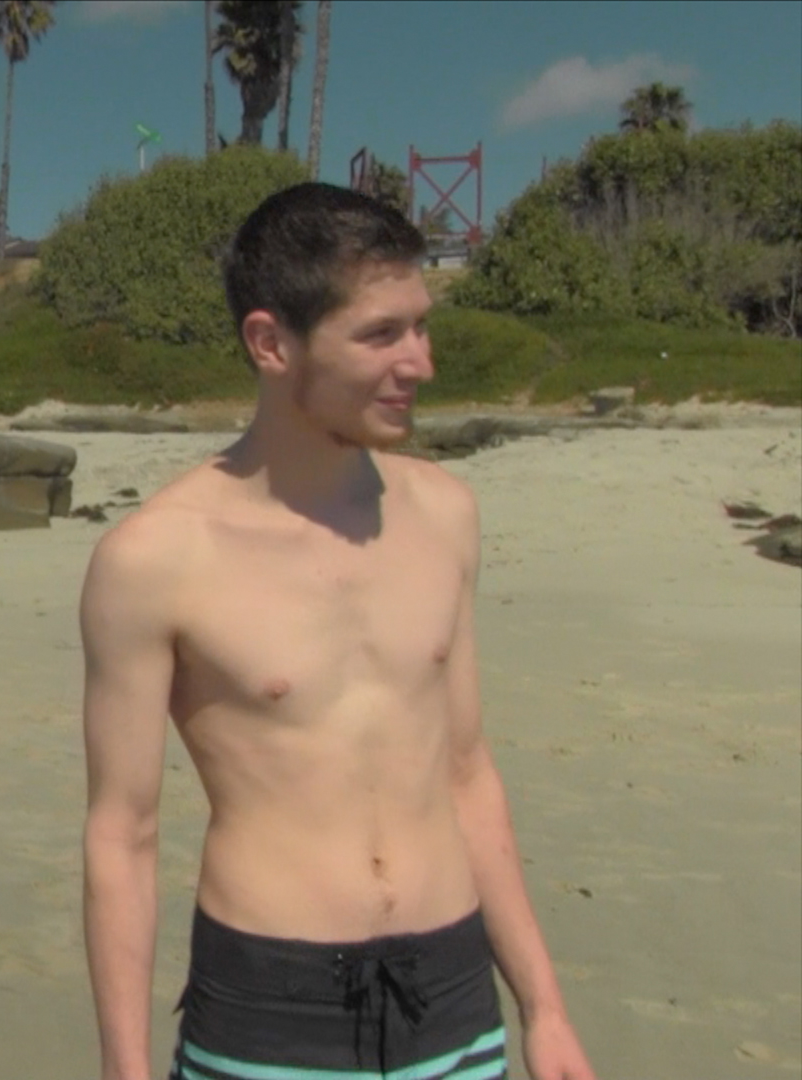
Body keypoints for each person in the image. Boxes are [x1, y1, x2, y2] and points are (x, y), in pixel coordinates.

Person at [80, 183, 597, 1080]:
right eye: (380, 334)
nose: (421, 362)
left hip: (454, 996)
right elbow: (121, 837)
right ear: (271, 343)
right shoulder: (156, 559)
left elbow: (467, 773)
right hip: (268, 1009)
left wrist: (544, 1008)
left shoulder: (445, 516)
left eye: (421, 326)